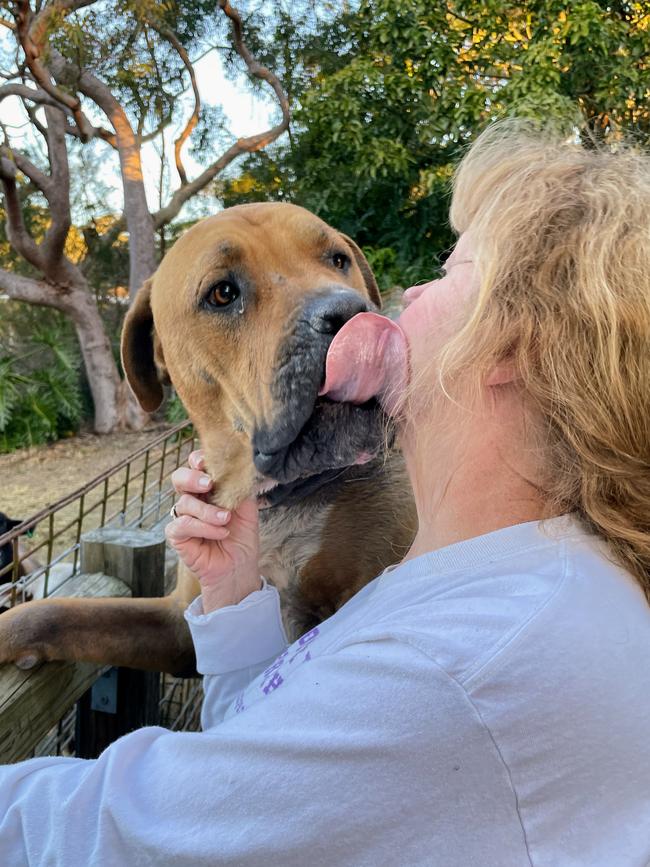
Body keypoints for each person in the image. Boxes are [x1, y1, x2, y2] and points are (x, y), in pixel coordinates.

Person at [1, 121, 649, 866]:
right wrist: (235, 595)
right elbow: (271, 724)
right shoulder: (508, 570)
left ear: (512, 348)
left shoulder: (457, 668)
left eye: (444, 274)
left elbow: (124, 828)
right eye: (225, 295)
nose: (344, 300)